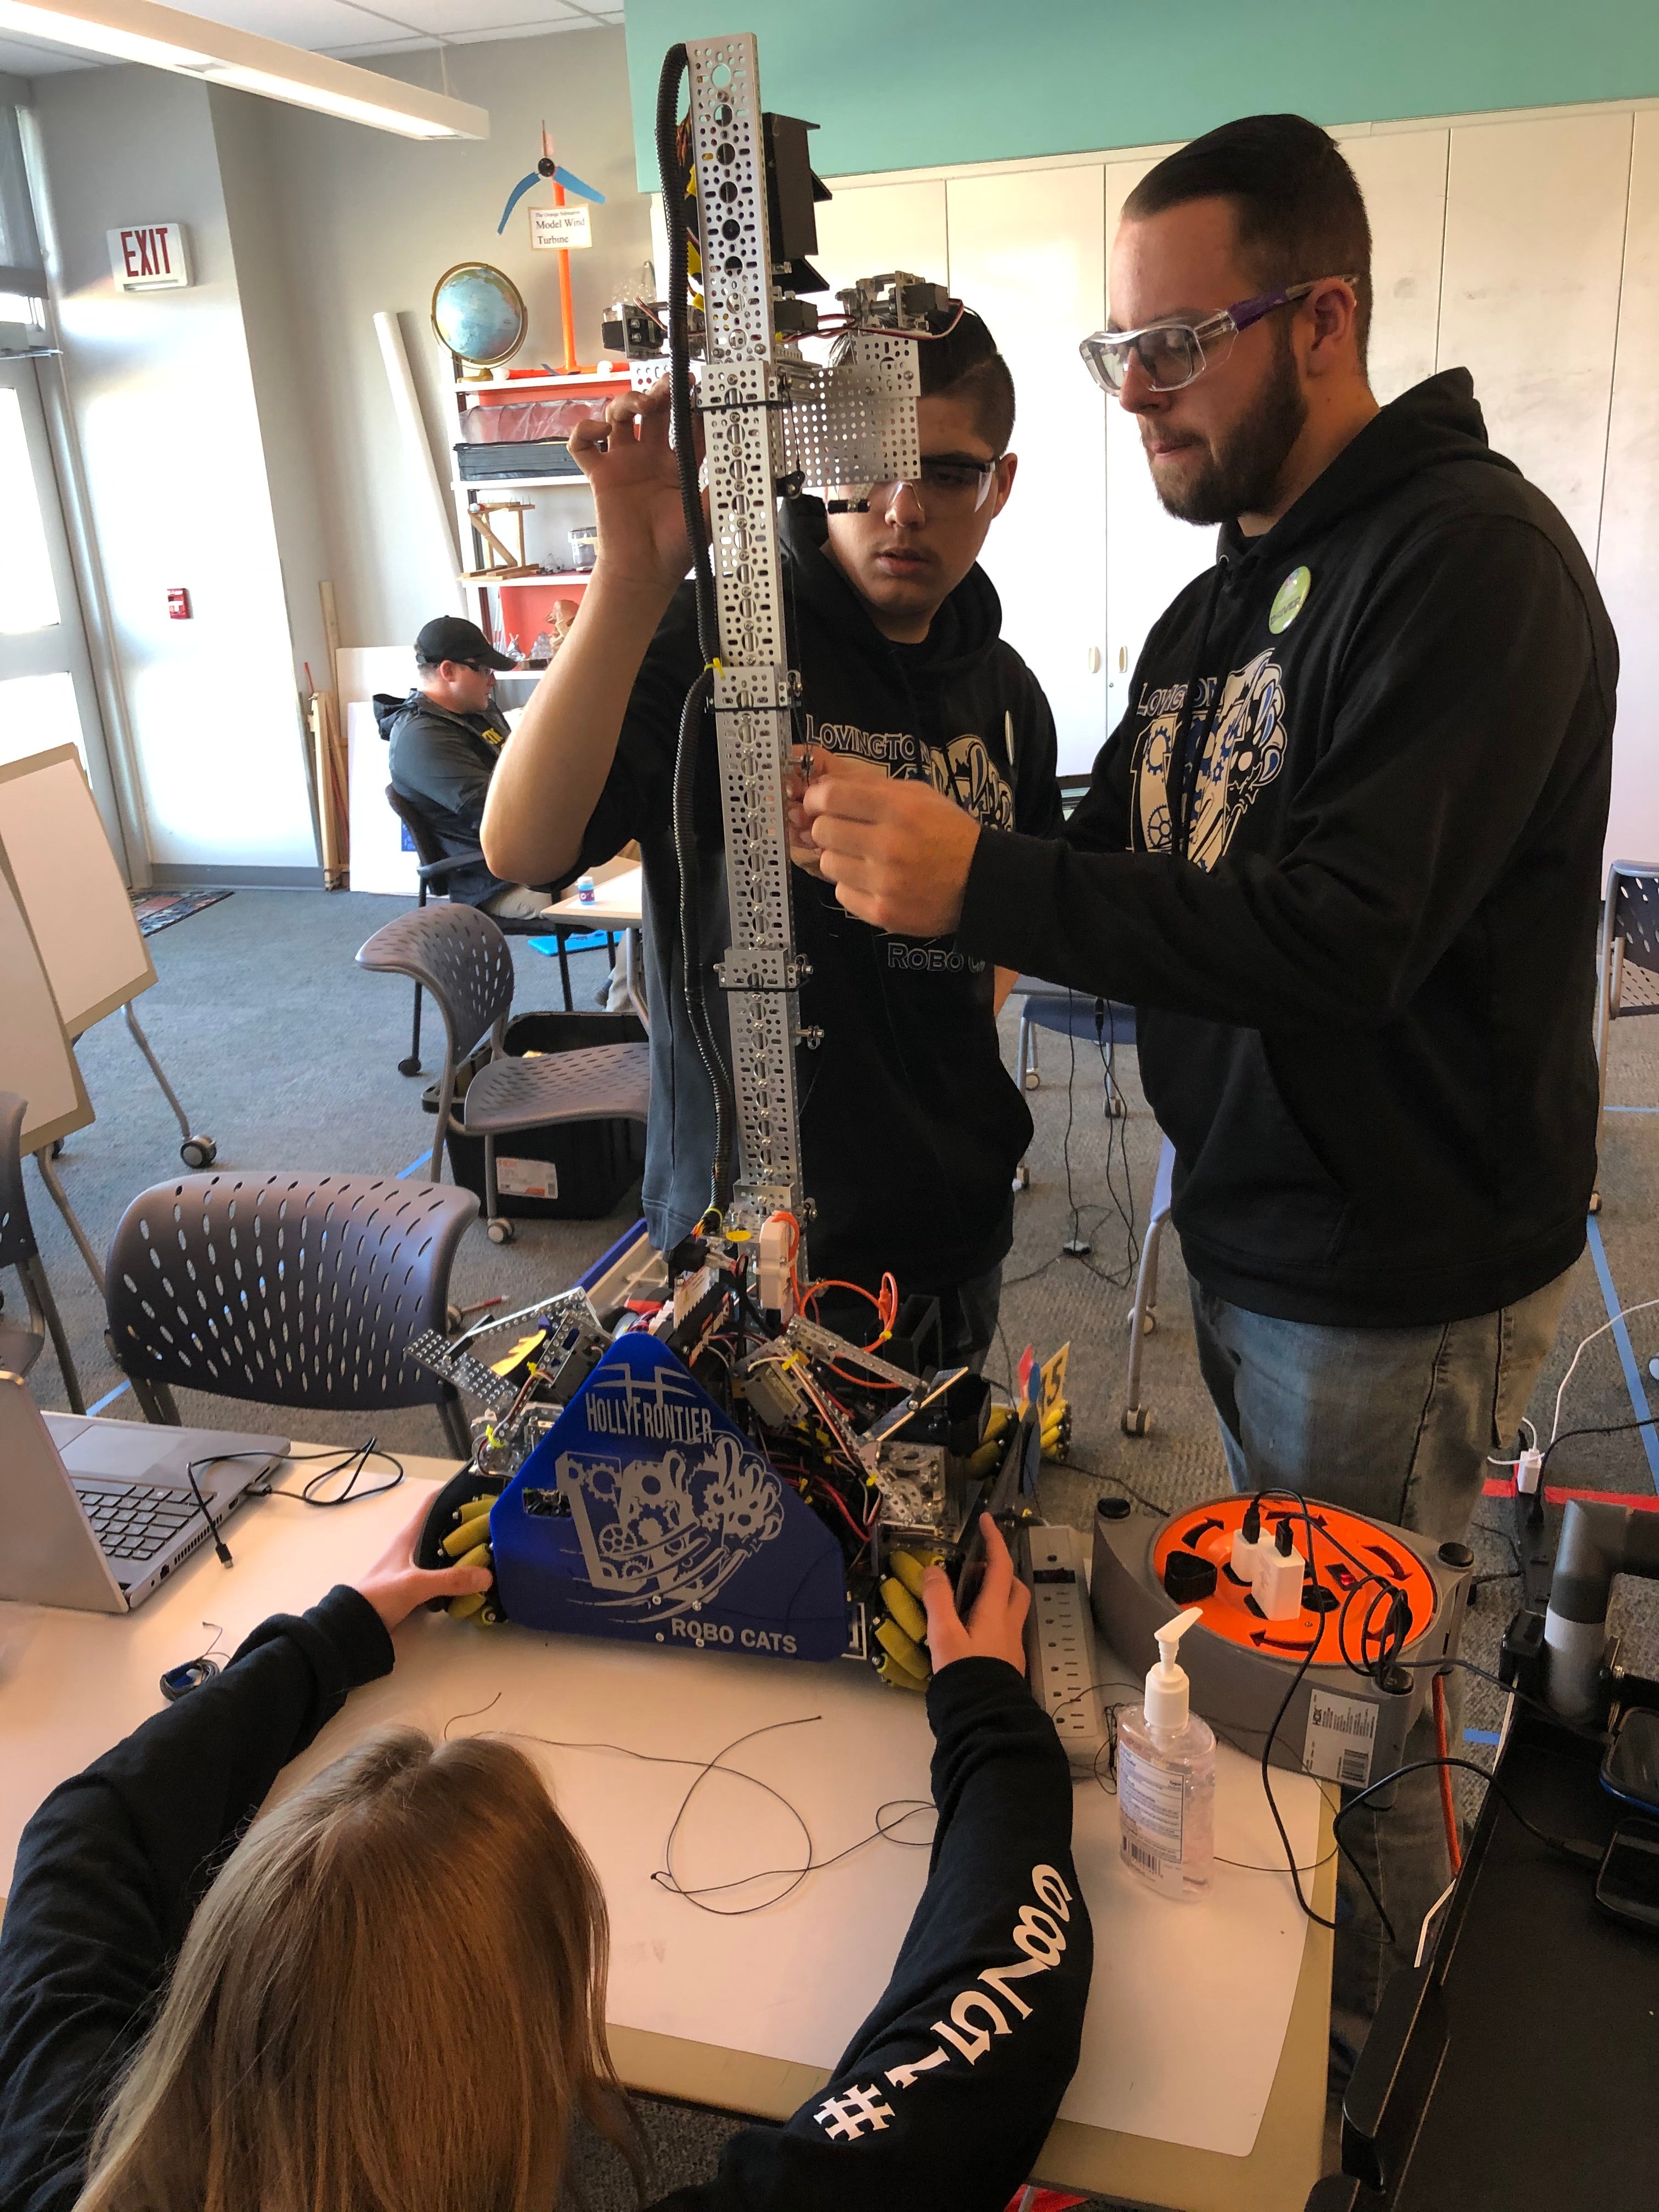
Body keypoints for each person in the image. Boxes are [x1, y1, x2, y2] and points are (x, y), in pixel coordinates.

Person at [800, 115, 1616, 2045]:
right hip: (1253, 1230)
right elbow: (1126, 858)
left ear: (1319, 317)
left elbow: (1343, 938)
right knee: (1275, 1673)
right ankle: (1319, 1997)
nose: (1139, 396)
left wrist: (981, 872)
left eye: (1176, 345)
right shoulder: (1209, 608)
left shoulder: (1461, 565)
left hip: (1395, 1263)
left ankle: (1387, 2064)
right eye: (1120, 354)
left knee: (1351, 1701)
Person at [0, 1508, 1088, 2212]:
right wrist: (990, 1710)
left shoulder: (68, 2162)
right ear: (520, 2059)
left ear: (213, 1988)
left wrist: (332, 1636)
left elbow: (80, 1844)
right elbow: (997, 2015)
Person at [482, 312, 1064, 1370]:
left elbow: (1013, 905)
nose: (902, 509)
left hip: (948, 1223)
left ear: (1001, 481)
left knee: (925, 1508)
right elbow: (522, 847)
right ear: (813, 465)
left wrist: (925, 1060)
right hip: (743, 1232)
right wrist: (629, 576)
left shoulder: (1005, 689)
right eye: (870, 470)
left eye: (945, 474)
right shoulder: (714, 648)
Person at [377, 614, 557, 917]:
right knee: (640, 891)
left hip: (536, 855)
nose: (493, 680)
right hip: (497, 879)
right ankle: (627, 967)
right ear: (448, 671)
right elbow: (496, 811)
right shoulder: (421, 738)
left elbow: (525, 772)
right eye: (484, 670)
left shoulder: (474, 711)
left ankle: (632, 965)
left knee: (655, 854)